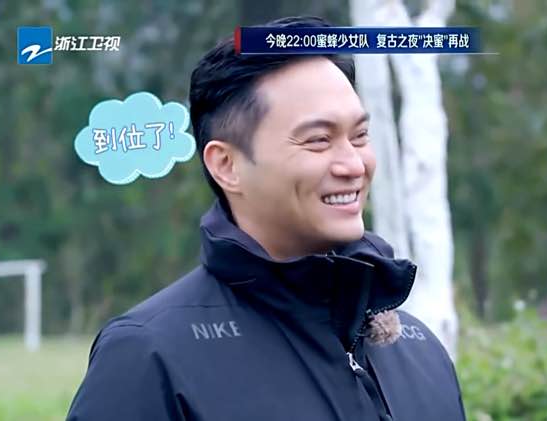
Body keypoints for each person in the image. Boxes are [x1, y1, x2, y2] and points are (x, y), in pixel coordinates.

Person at [66, 16, 466, 421]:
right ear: (227, 165)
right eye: (318, 140)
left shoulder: (421, 353)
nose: (353, 164)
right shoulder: (150, 357)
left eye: (359, 136)